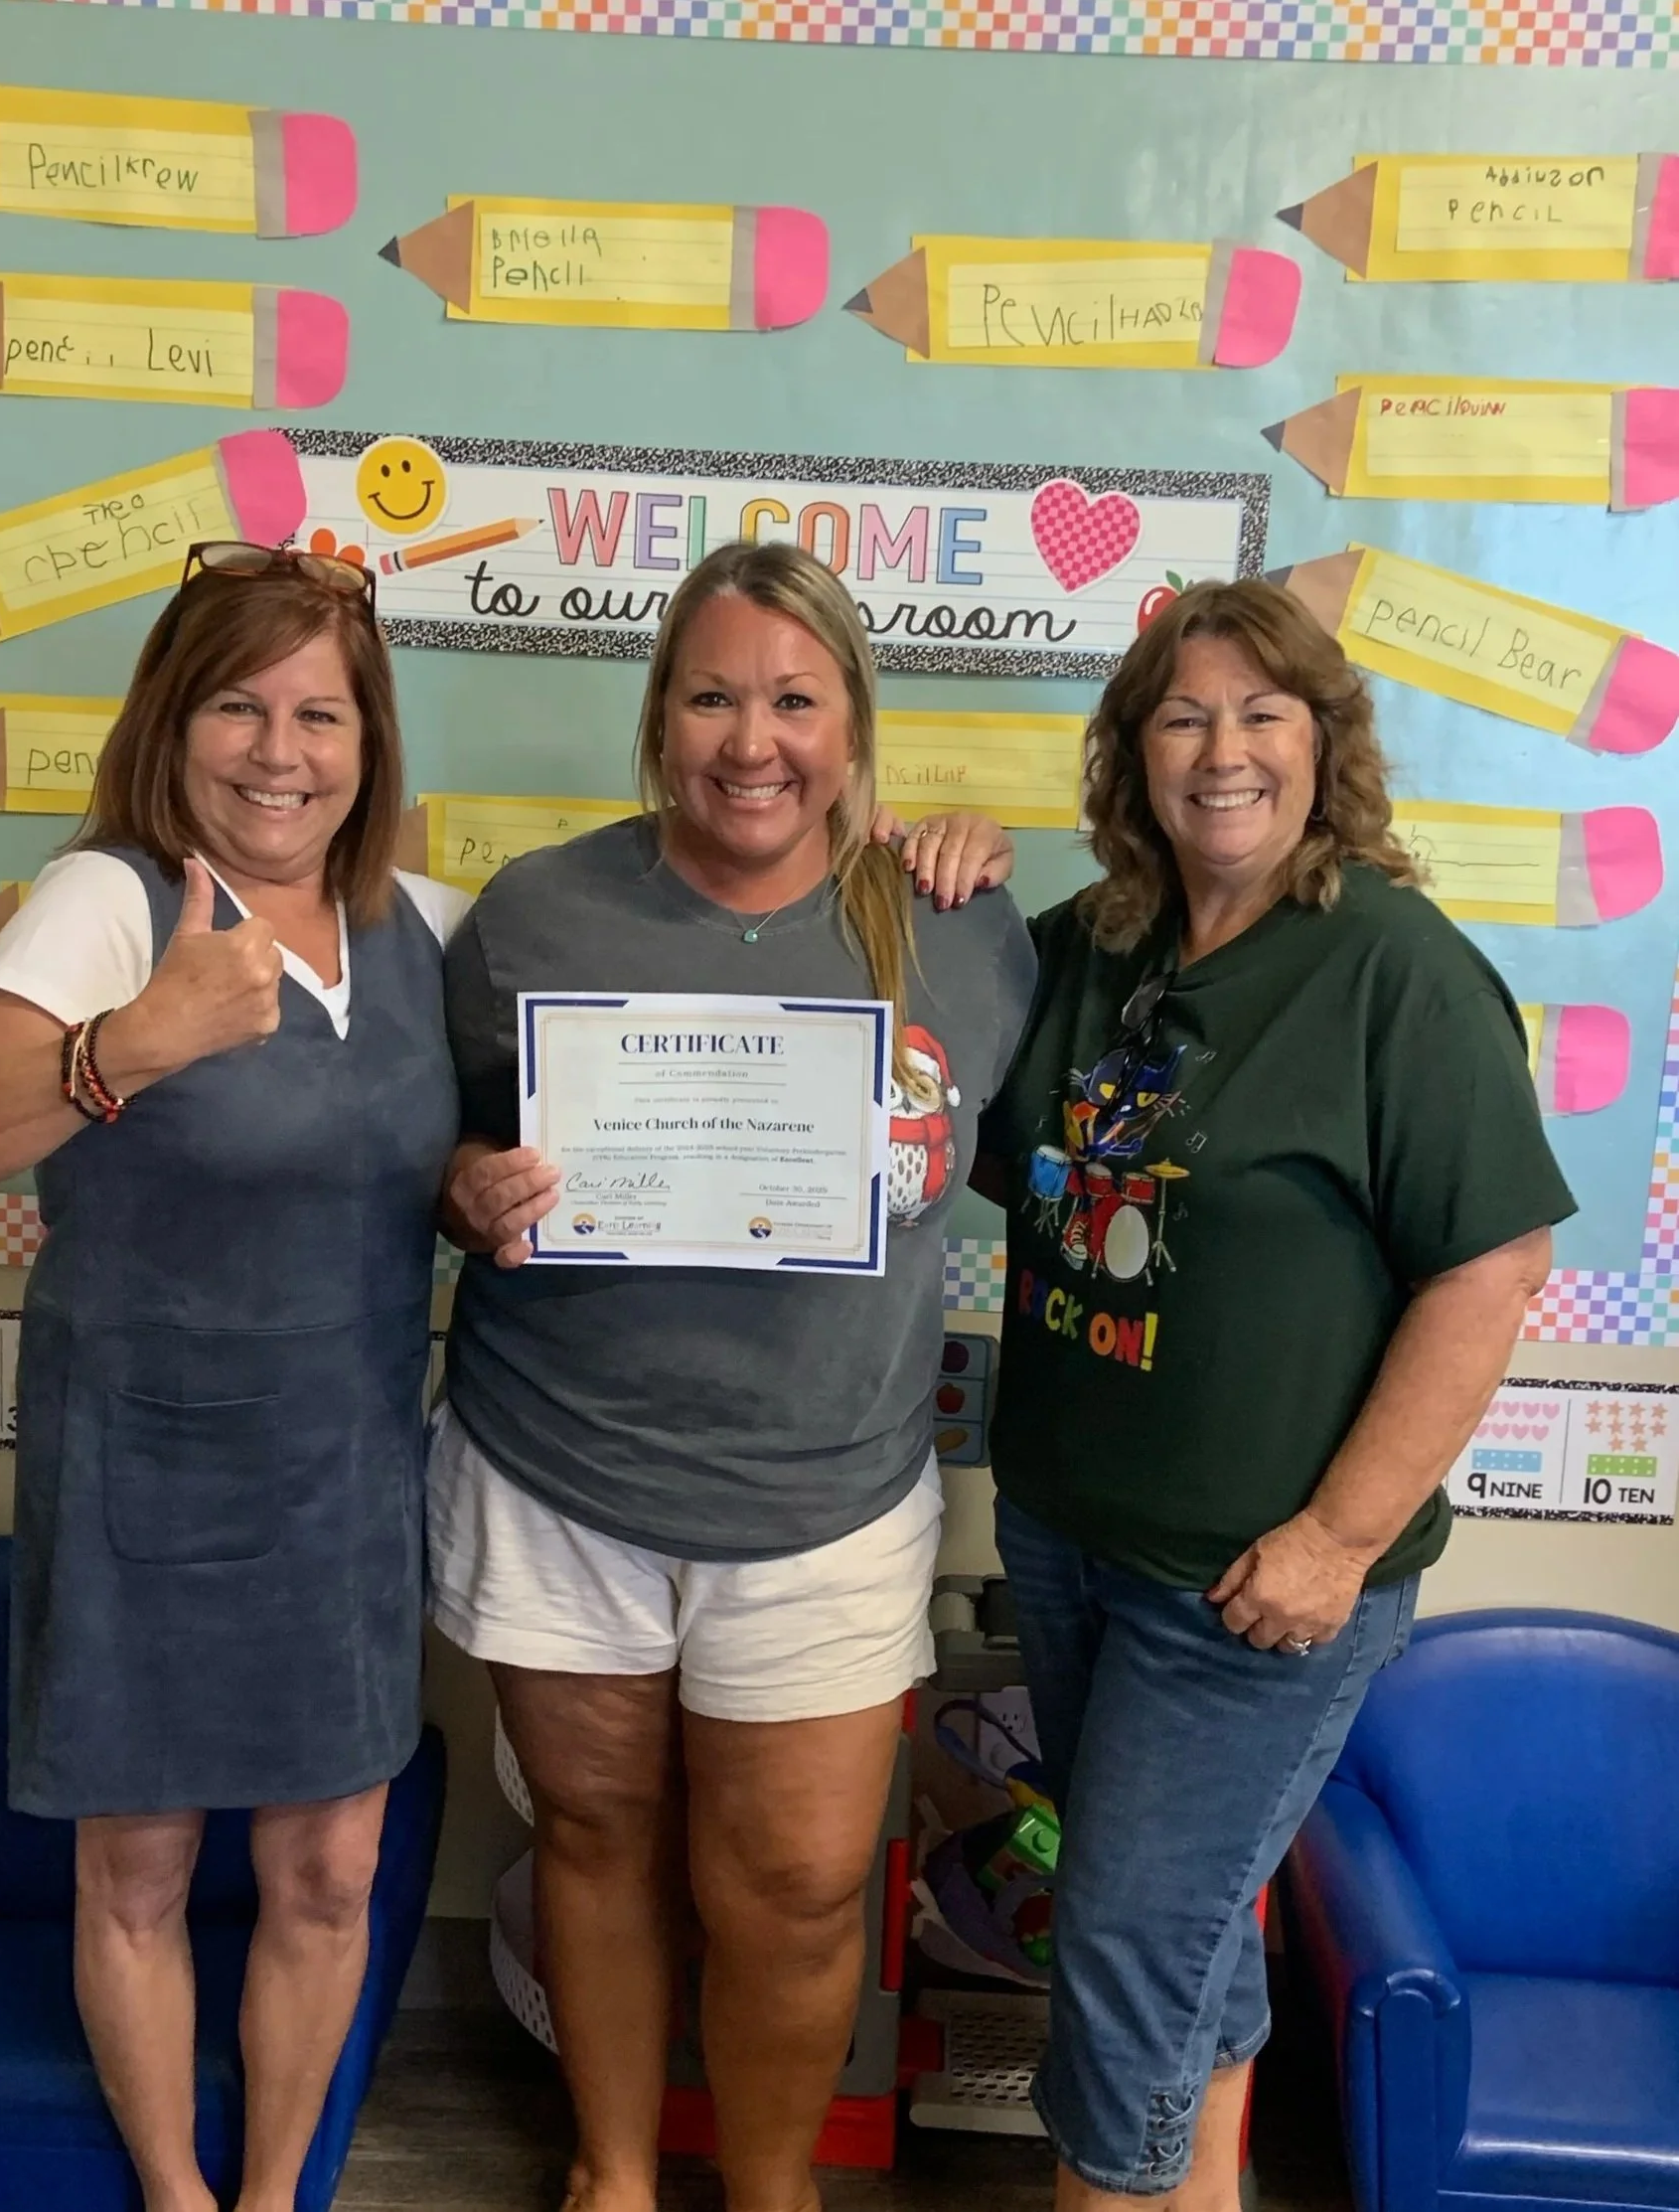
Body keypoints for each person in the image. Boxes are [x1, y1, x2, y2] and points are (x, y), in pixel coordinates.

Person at [434, 540, 1037, 2212]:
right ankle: (612, 2171)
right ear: (656, 718)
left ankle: (770, 2195)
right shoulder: (535, 912)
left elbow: (1052, 1165)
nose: (749, 737)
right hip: (560, 1473)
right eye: (710, 694)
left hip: (825, 1496)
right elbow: (443, 1146)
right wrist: (464, 1191)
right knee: (593, 1839)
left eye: (792, 698)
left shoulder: (959, 929)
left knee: (790, 1885)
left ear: (852, 728)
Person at [974, 578, 1577, 2212]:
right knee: (1172, 1934)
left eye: (1260, 713)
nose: (1220, 750)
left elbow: (1487, 1270)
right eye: (1181, 715)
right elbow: (931, 1075)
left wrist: (1334, 1533)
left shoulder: (1392, 967)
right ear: (1130, 754)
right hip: (1068, 1535)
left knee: (1123, 1937)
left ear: (1322, 744)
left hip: (1255, 1584)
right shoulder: (1093, 947)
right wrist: (932, 875)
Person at [0, 543, 466, 2212]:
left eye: (319, 713)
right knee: (138, 1866)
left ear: (368, 742)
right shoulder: (109, 903)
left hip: (344, 1478)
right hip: (141, 1467)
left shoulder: (421, 928)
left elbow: (436, 1141)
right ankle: (172, 2191)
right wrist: (134, 1039)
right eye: (237, 704)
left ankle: (270, 2191)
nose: (279, 752)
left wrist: (479, 1180)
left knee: (331, 1866)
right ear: (171, 719)